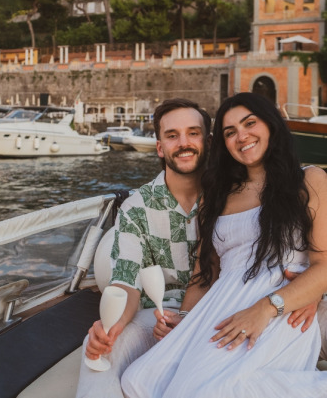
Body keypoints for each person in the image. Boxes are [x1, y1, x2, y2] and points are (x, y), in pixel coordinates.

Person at [121, 92, 327, 398]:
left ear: (270, 125)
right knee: (139, 381)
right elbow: (206, 271)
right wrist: (185, 319)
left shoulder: (308, 180)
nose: (242, 136)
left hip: (278, 307)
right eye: (230, 132)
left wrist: (267, 308)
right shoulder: (216, 196)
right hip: (218, 307)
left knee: (210, 391)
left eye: (250, 123)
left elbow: (323, 264)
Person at [75, 98, 212, 398]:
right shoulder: (136, 208)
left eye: (193, 132)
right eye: (172, 135)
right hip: (157, 318)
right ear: (160, 148)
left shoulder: (230, 198)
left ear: (207, 141)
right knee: (98, 349)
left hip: (214, 313)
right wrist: (111, 325)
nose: (184, 143)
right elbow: (126, 279)